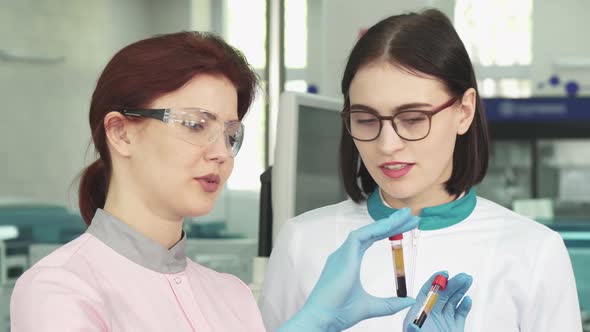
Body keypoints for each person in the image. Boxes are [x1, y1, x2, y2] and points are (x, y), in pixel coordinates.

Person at [9, 31, 472, 332]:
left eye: (230, 134)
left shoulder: (230, 296)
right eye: (195, 124)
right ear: (121, 131)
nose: (220, 152)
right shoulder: (59, 289)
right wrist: (306, 324)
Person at [259, 8, 582, 332]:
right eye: (366, 120)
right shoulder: (303, 241)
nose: (387, 145)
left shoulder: (534, 251)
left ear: (464, 111)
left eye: (413, 119)